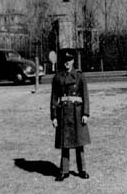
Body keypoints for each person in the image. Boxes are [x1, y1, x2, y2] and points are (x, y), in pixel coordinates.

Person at [50, 51, 91, 181]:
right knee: (65, 143)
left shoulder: (79, 76)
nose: (67, 63)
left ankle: (82, 169)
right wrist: (54, 116)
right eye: (65, 60)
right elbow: (54, 98)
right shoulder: (57, 77)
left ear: (73, 61)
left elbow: (85, 96)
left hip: (77, 112)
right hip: (64, 112)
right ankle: (64, 170)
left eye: (69, 60)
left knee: (79, 143)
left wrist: (85, 113)